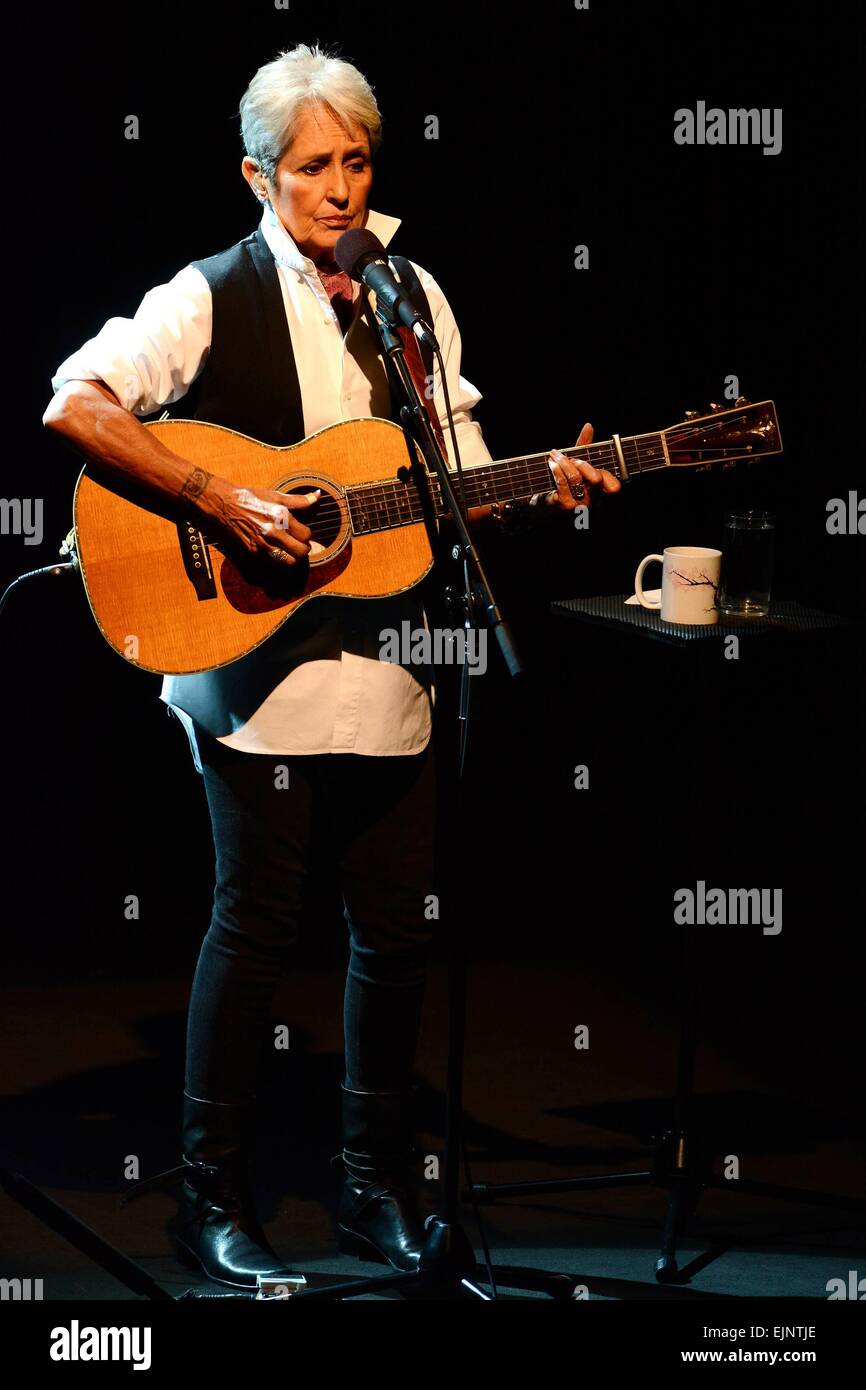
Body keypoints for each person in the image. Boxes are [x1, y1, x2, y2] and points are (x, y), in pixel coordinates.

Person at [42, 43, 621, 1290]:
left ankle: (374, 1192)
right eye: (313, 166)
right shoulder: (212, 290)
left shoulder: (411, 298)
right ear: (259, 174)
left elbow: (457, 485)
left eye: (357, 161)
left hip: (387, 670)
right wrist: (222, 497)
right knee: (253, 928)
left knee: (395, 934)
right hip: (252, 672)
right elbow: (75, 401)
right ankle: (209, 1202)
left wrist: (550, 487)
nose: (340, 188)